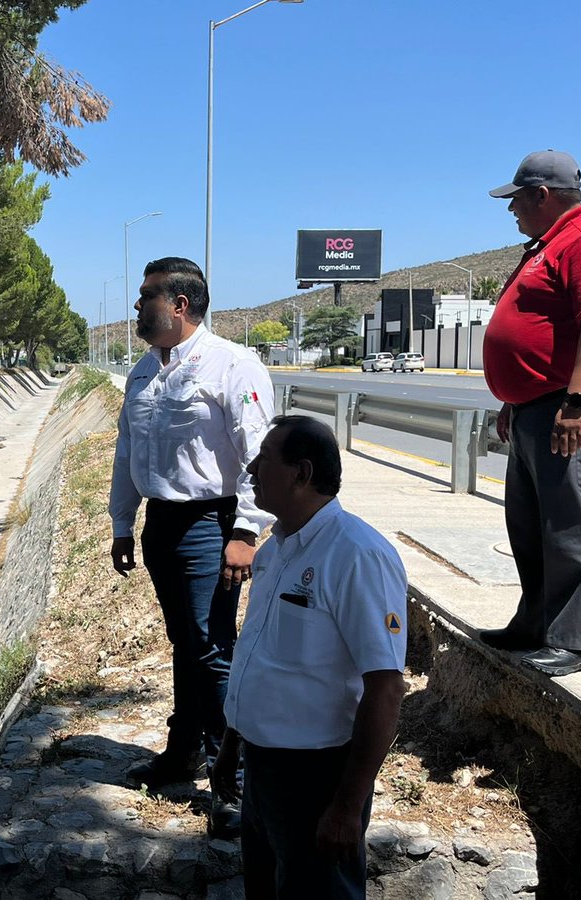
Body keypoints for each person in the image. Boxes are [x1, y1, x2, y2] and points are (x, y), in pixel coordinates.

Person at [109, 256, 274, 837]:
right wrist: (123, 524)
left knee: (213, 648)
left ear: (180, 305)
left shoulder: (233, 365)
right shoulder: (143, 372)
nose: (137, 305)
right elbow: (128, 454)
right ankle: (185, 753)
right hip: (162, 523)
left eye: (147, 295)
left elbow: (259, 455)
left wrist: (245, 532)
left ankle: (239, 783)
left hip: (212, 523)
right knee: (187, 641)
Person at [212, 415, 407, 899]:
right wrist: (231, 749)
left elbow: (385, 690)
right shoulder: (275, 550)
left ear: (300, 472)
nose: (252, 468)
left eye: (264, 458)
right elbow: (259, 659)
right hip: (261, 769)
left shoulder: (357, 555)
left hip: (318, 778)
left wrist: (345, 807)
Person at [480, 150, 581, 677]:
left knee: (573, 524)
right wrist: (513, 398)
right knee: (529, 524)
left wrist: (577, 401)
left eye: (517, 198)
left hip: (565, 409)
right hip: (532, 409)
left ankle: (580, 641)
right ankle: (536, 623)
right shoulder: (548, 245)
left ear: (543, 195)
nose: (512, 209)